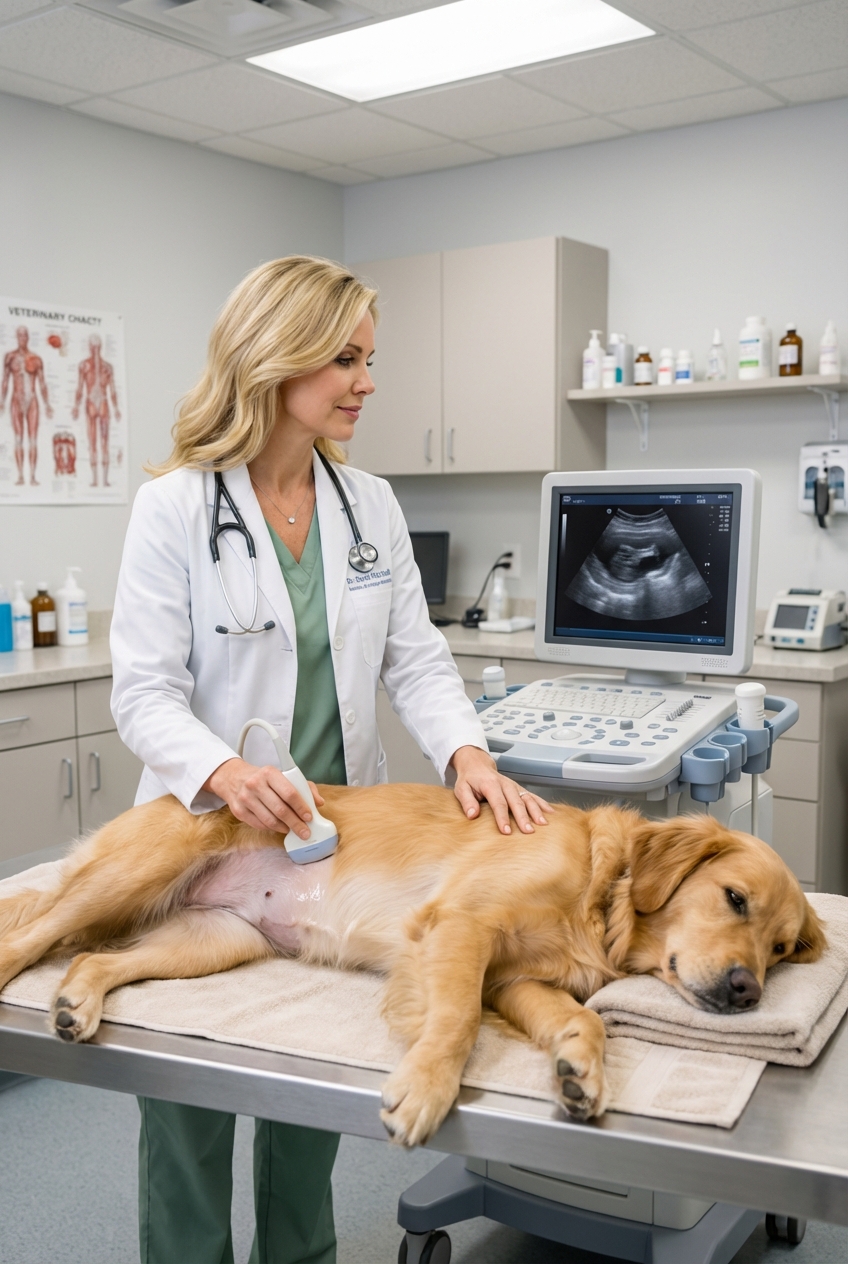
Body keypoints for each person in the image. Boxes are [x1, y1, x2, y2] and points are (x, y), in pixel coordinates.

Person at [110, 255, 548, 1264]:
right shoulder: (176, 506)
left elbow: (416, 658)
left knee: (311, 1092)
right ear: (277, 357)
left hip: (326, 854)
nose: (366, 380)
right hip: (199, 847)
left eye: (368, 357)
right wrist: (222, 773)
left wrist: (465, 753)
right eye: (345, 358)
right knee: (187, 1109)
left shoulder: (368, 507)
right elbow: (142, 693)